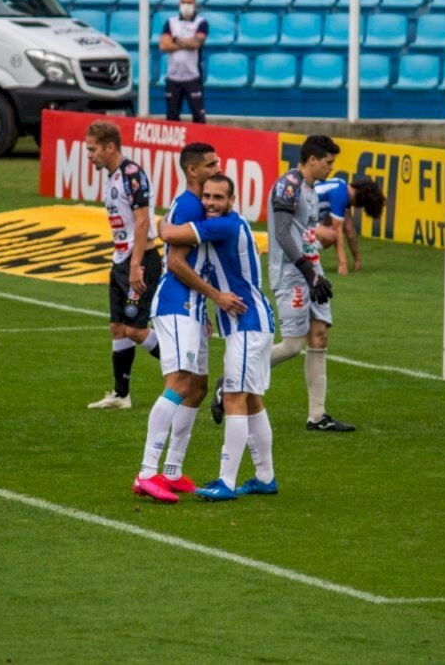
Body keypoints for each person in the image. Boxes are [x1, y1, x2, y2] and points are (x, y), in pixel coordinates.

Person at [215, 134, 353, 432]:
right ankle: (229, 381)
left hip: (311, 271)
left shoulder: (311, 188)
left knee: (319, 337)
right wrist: (307, 270)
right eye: (328, 162)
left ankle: (317, 417)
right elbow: (282, 233)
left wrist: (316, 270)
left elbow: (305, 233)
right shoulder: (287, 186)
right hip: (293, 274)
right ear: (312, 159)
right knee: (292, 346)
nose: (331, 168)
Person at [132, 144, 246, 503]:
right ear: (193, 170)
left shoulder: (201, 204)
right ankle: (147, 472)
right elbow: (178, 263)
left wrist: (205, 308)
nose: (218, 165)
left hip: (193, 306)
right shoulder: (192, 203)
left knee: (196, 387)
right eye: (211, 163)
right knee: (180, 381)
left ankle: (172, 471)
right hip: (177, 302)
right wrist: (215, 296)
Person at [160, 174, 278, 501]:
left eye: (218, 198)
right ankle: (265, 476)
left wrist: (159, 218)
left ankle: (226, 482)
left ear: (232, 200)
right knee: (252, 399)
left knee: (233, 399)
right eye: (207, 197)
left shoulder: (224, 226)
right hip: (250, 323)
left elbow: (169, 234)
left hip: (247, 323)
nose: (210, 203)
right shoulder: (230, 224)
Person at [84, 120, 162, 410]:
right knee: (118, 327)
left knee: (135, 329)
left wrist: (135, 265)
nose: (89, 155)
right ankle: (121, 395)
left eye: (93, 150)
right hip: (121, 260)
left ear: (110, 147)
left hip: (140, 261)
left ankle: (185, 371)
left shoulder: (132, 174)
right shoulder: (113, 175)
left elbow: (143, 221)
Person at [313, 177, 387, 275]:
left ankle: (305, 253)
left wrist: (357, 259)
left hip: (302, 220)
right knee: (332, 234)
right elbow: (338, 231)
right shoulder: (341, 195)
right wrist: (343, 264)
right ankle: (303, 255)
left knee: (331, 226)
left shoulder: (343, 186)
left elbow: (349, 229)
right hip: (297, 221)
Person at [160, 0, 208, 123]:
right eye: (184, 2)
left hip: (192, 77)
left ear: (195, 5)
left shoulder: (201, 23)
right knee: (172, 116)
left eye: (190, 2)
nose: (186, 5)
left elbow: (196, 43)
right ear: (179, 4)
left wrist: (175, 40)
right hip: (173, 77)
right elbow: (163, 45)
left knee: (198, 116)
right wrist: (185, 43)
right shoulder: (170, 22)